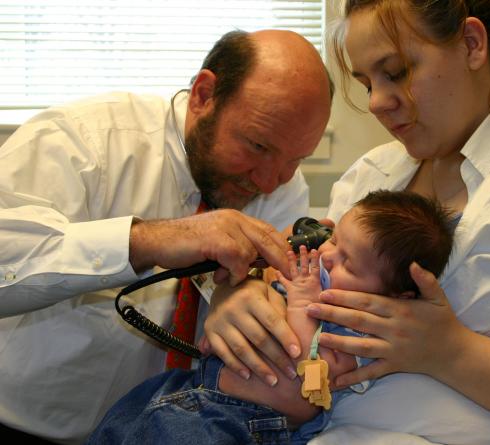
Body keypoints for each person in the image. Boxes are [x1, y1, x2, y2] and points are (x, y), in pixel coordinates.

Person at [201, 2, 490, 444]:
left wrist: (452, 353)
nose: (378, 102)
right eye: (366, 83)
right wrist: (239, 296)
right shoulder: (371, 175)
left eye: (397, 72)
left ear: (471, 43)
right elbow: (301, 289)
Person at [0, 29, 332, 443]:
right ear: (204, 95)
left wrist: (241, 287)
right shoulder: (82, 141)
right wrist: (144, 242)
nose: (270, 182)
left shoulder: (283, 184)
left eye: (295, 159)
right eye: (257, 145)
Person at [86, 190, 455, 445]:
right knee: (115, 427)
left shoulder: (359, 334)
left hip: (240, 422)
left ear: (395, 296)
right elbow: (256, 287)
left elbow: (306, 384)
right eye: (335, 240)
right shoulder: (309, 276)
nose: (327, 256)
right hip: (186, 389)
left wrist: (300, 303)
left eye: (348, 263)